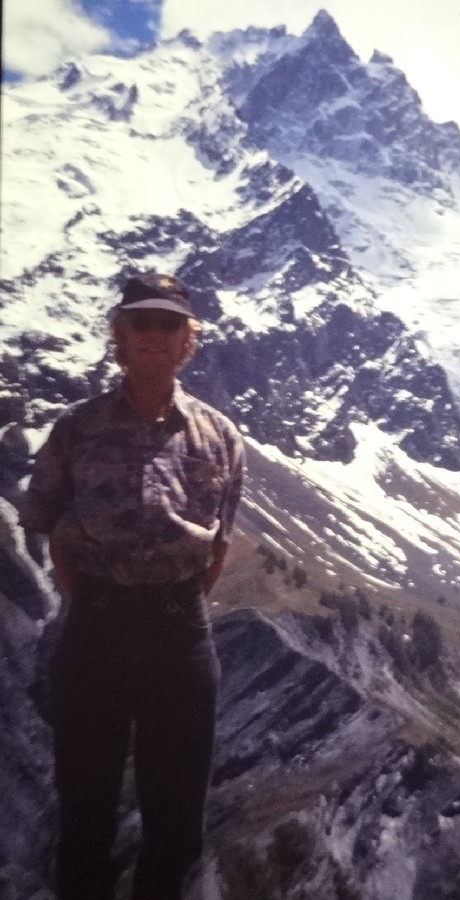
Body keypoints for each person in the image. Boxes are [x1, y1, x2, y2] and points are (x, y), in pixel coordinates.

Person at [19, 272, 245, 900]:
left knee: (176, 827)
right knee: (84, 816)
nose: (152, 334)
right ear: (119, 336)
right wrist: (95, 601)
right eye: (138, 323)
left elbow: (219, 546)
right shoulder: (76, 428)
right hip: (95, 630)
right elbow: (51, 529)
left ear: (186, 340)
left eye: (167, 323)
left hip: (180, 636)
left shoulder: (219, 435)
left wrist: (171, 605)